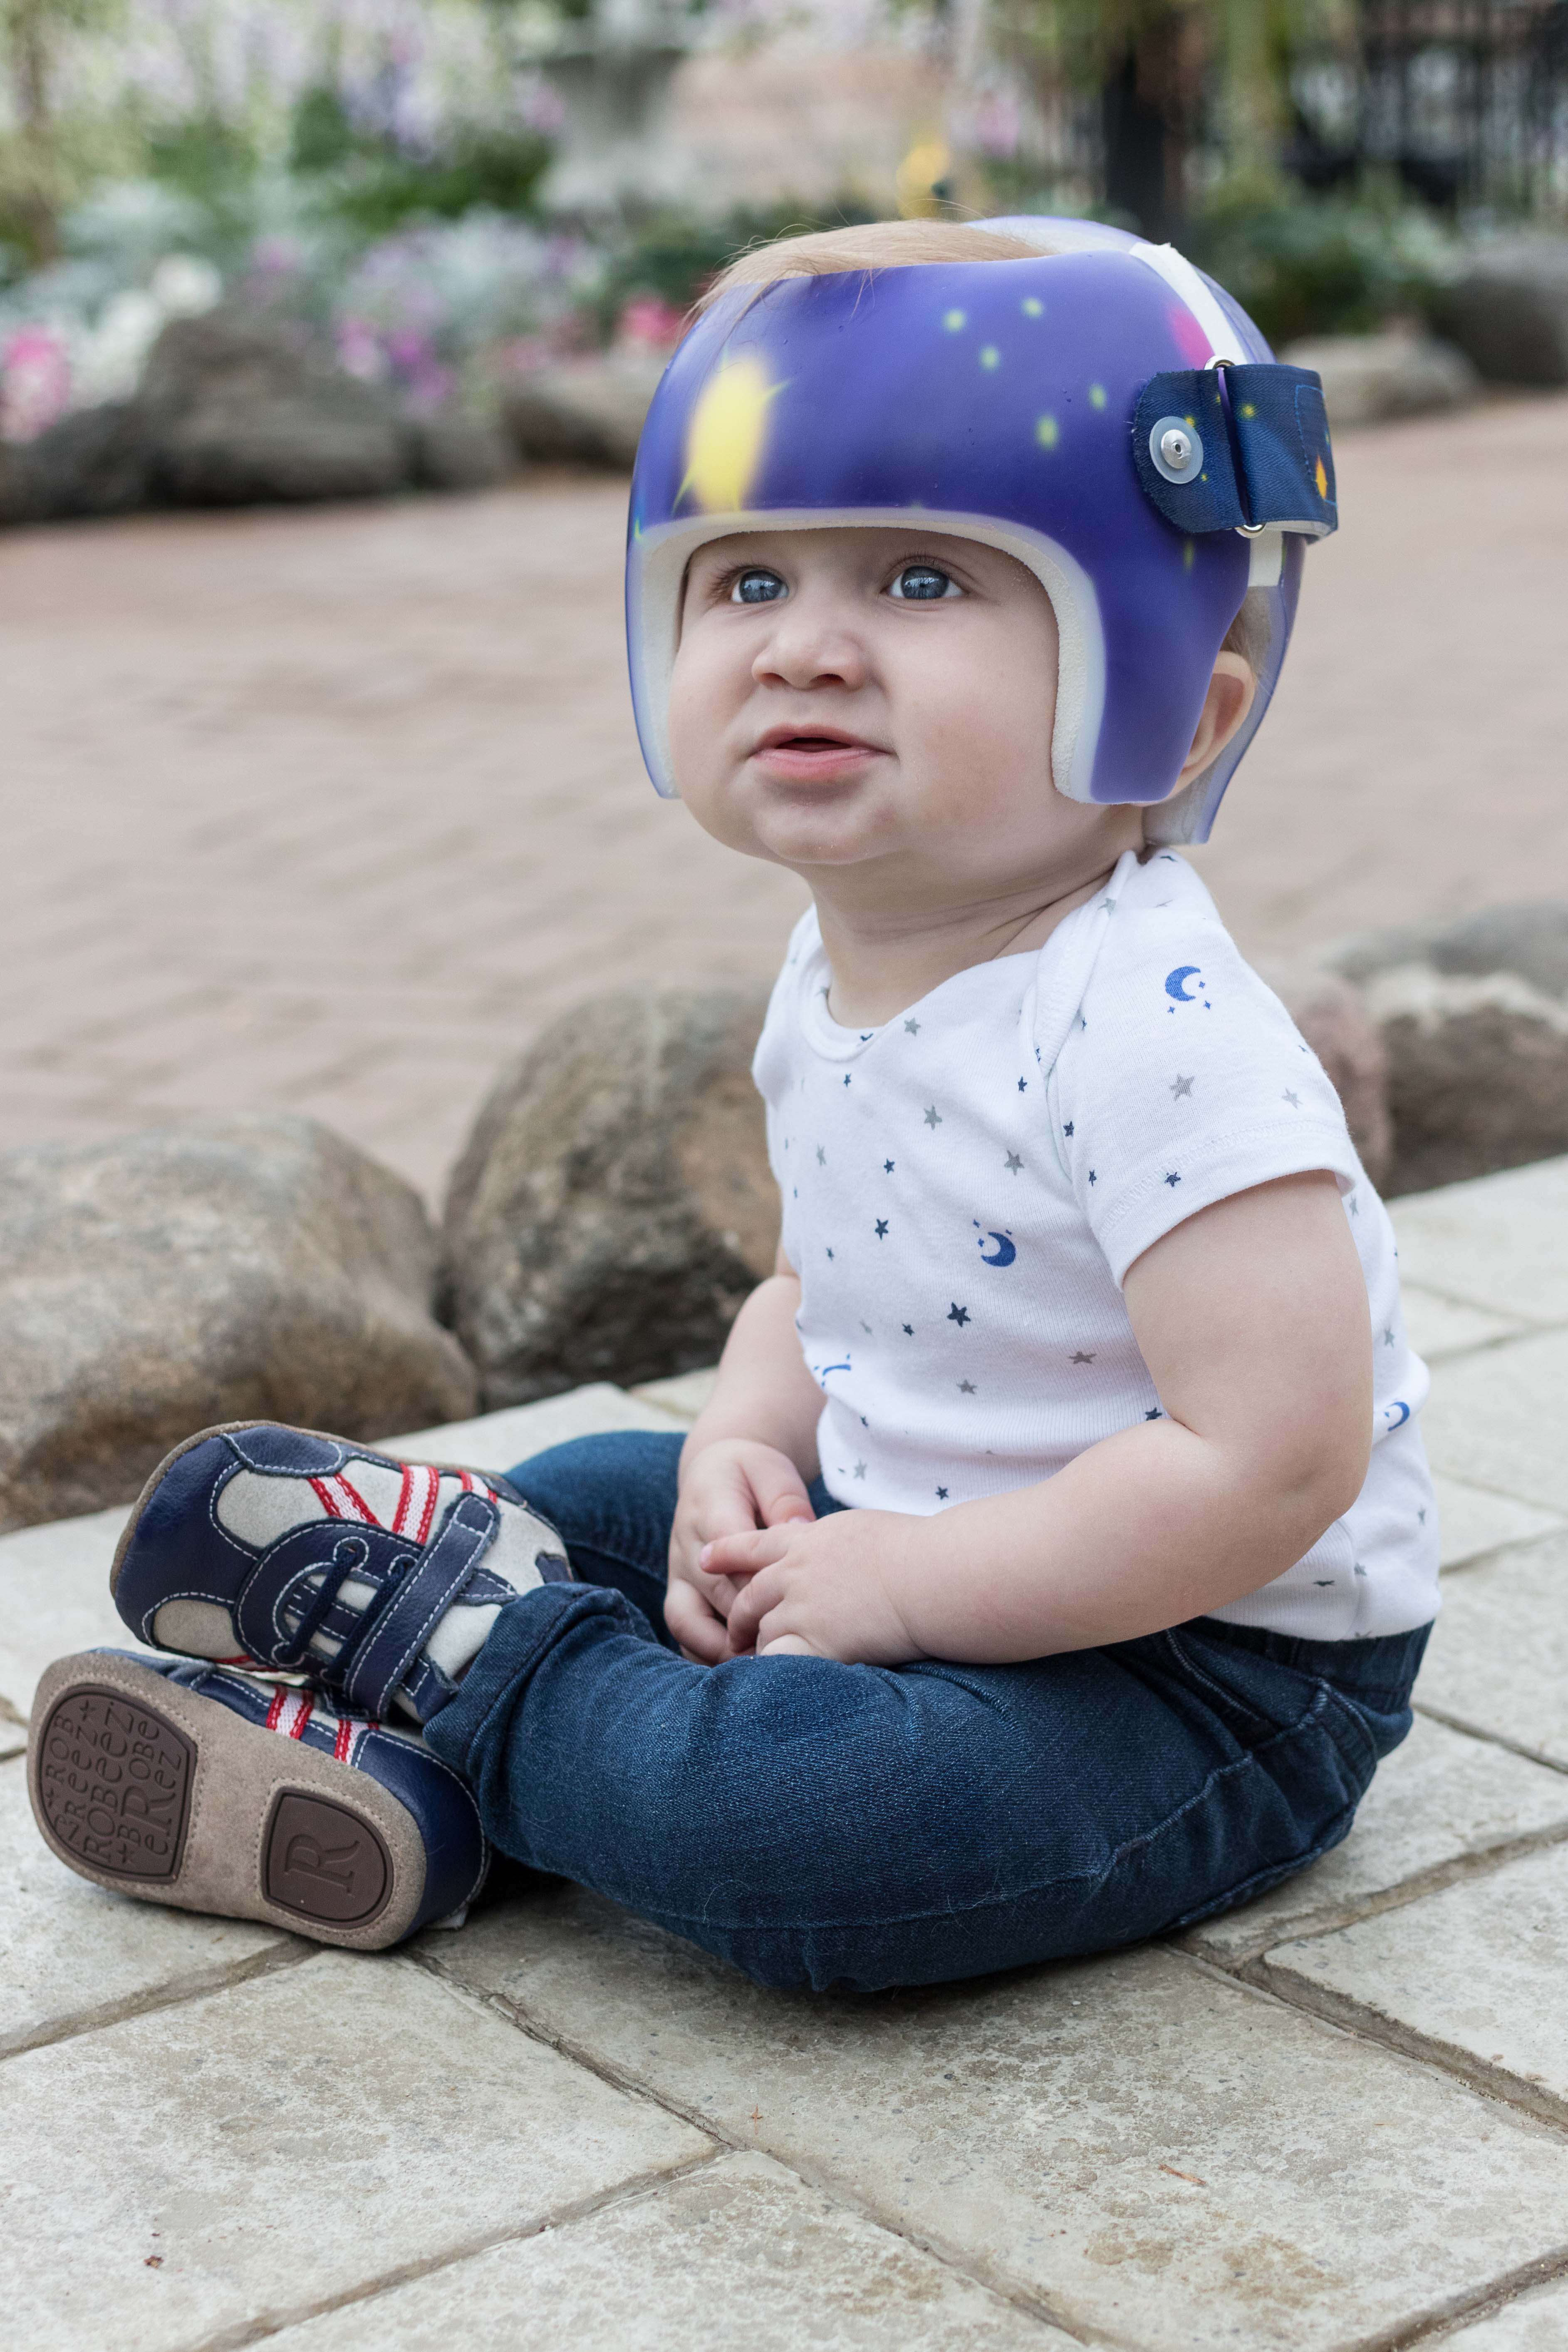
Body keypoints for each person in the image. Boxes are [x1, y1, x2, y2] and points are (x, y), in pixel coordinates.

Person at [30, 218, 1438, 1991]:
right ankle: (437, 1750)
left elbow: (1272, 1459)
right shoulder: (834, 959)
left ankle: (457, 1682)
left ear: (1175, 709)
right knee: (598, 1483)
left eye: (923, 580)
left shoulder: (1159, 1028)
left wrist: (909, 1597)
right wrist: (738, 1448)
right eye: (748, 583)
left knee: (812, 1842)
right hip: (895, 1530)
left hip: (1195, 1658)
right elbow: (821, 1283)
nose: (805, 648)